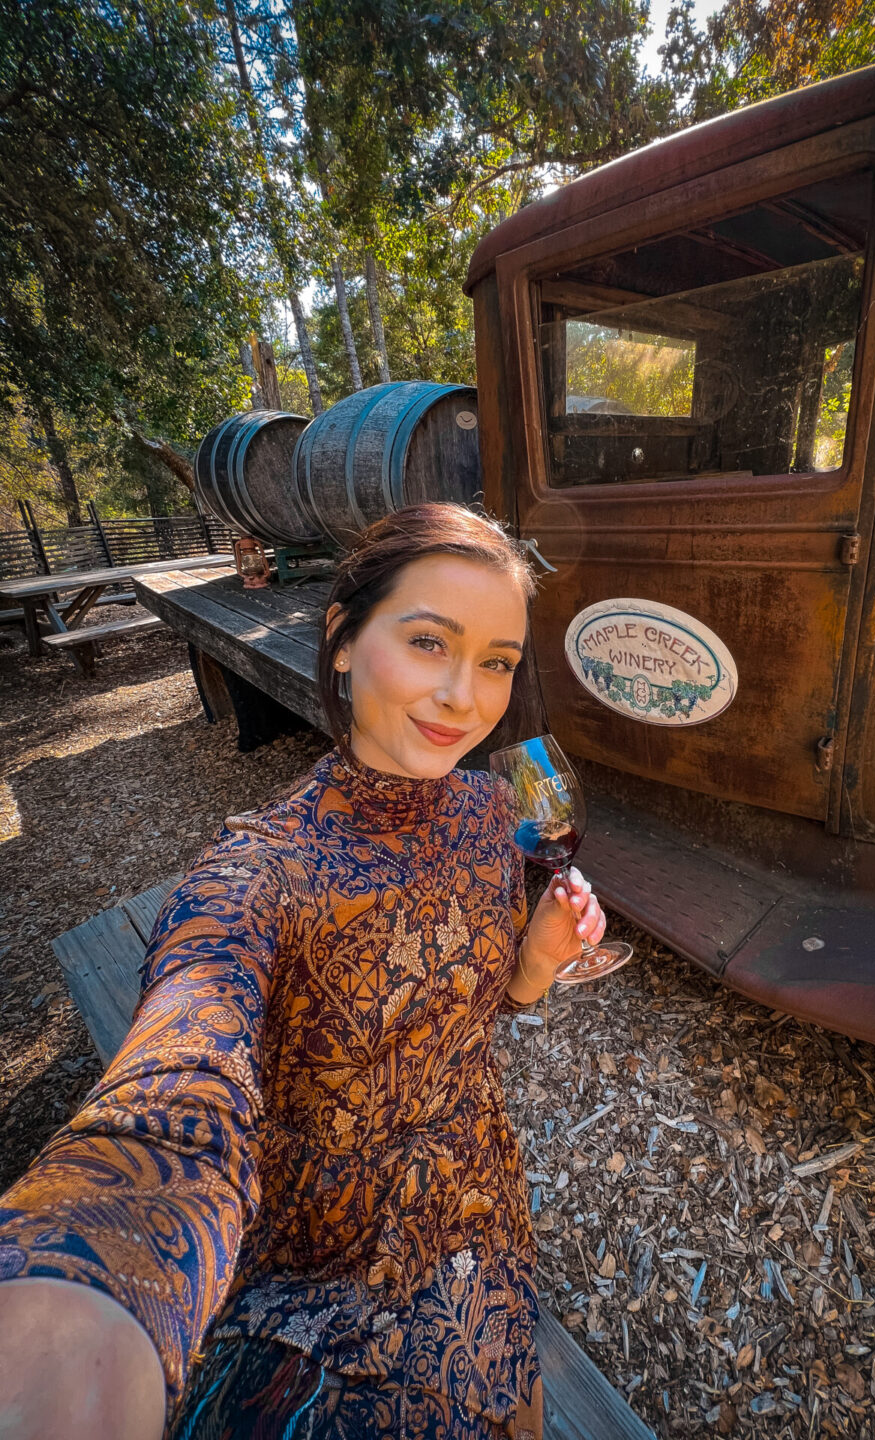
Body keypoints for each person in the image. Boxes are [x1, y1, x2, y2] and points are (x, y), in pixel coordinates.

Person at [0, 503, 610, 1440]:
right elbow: (182, 1069)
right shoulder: (259, 873)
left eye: (495, 660)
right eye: (426, 641)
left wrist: (531, 967)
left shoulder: (491, 811)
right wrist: (90, 1289)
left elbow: (470, 1020)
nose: (464, 695)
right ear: (340, 641)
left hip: (483, 1205)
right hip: (328, 1272)